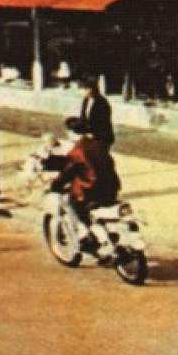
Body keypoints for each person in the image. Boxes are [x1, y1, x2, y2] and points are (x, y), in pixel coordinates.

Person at [53, 119, 122, 254]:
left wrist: (56, 184)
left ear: (71, 132)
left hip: (91, 191)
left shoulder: (77, 151)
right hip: (111, 188)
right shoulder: (99, 144)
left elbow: (68, 171)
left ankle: (86, 235)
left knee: (74, 204)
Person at [79, 75, 115, 148]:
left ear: (91, 89)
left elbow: (103, 123)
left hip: (101, 137)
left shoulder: (102, 103)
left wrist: (93, 134)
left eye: (85, 89)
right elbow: (84, 117)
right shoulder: (86, 100)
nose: (83, 92)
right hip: (90, 135)